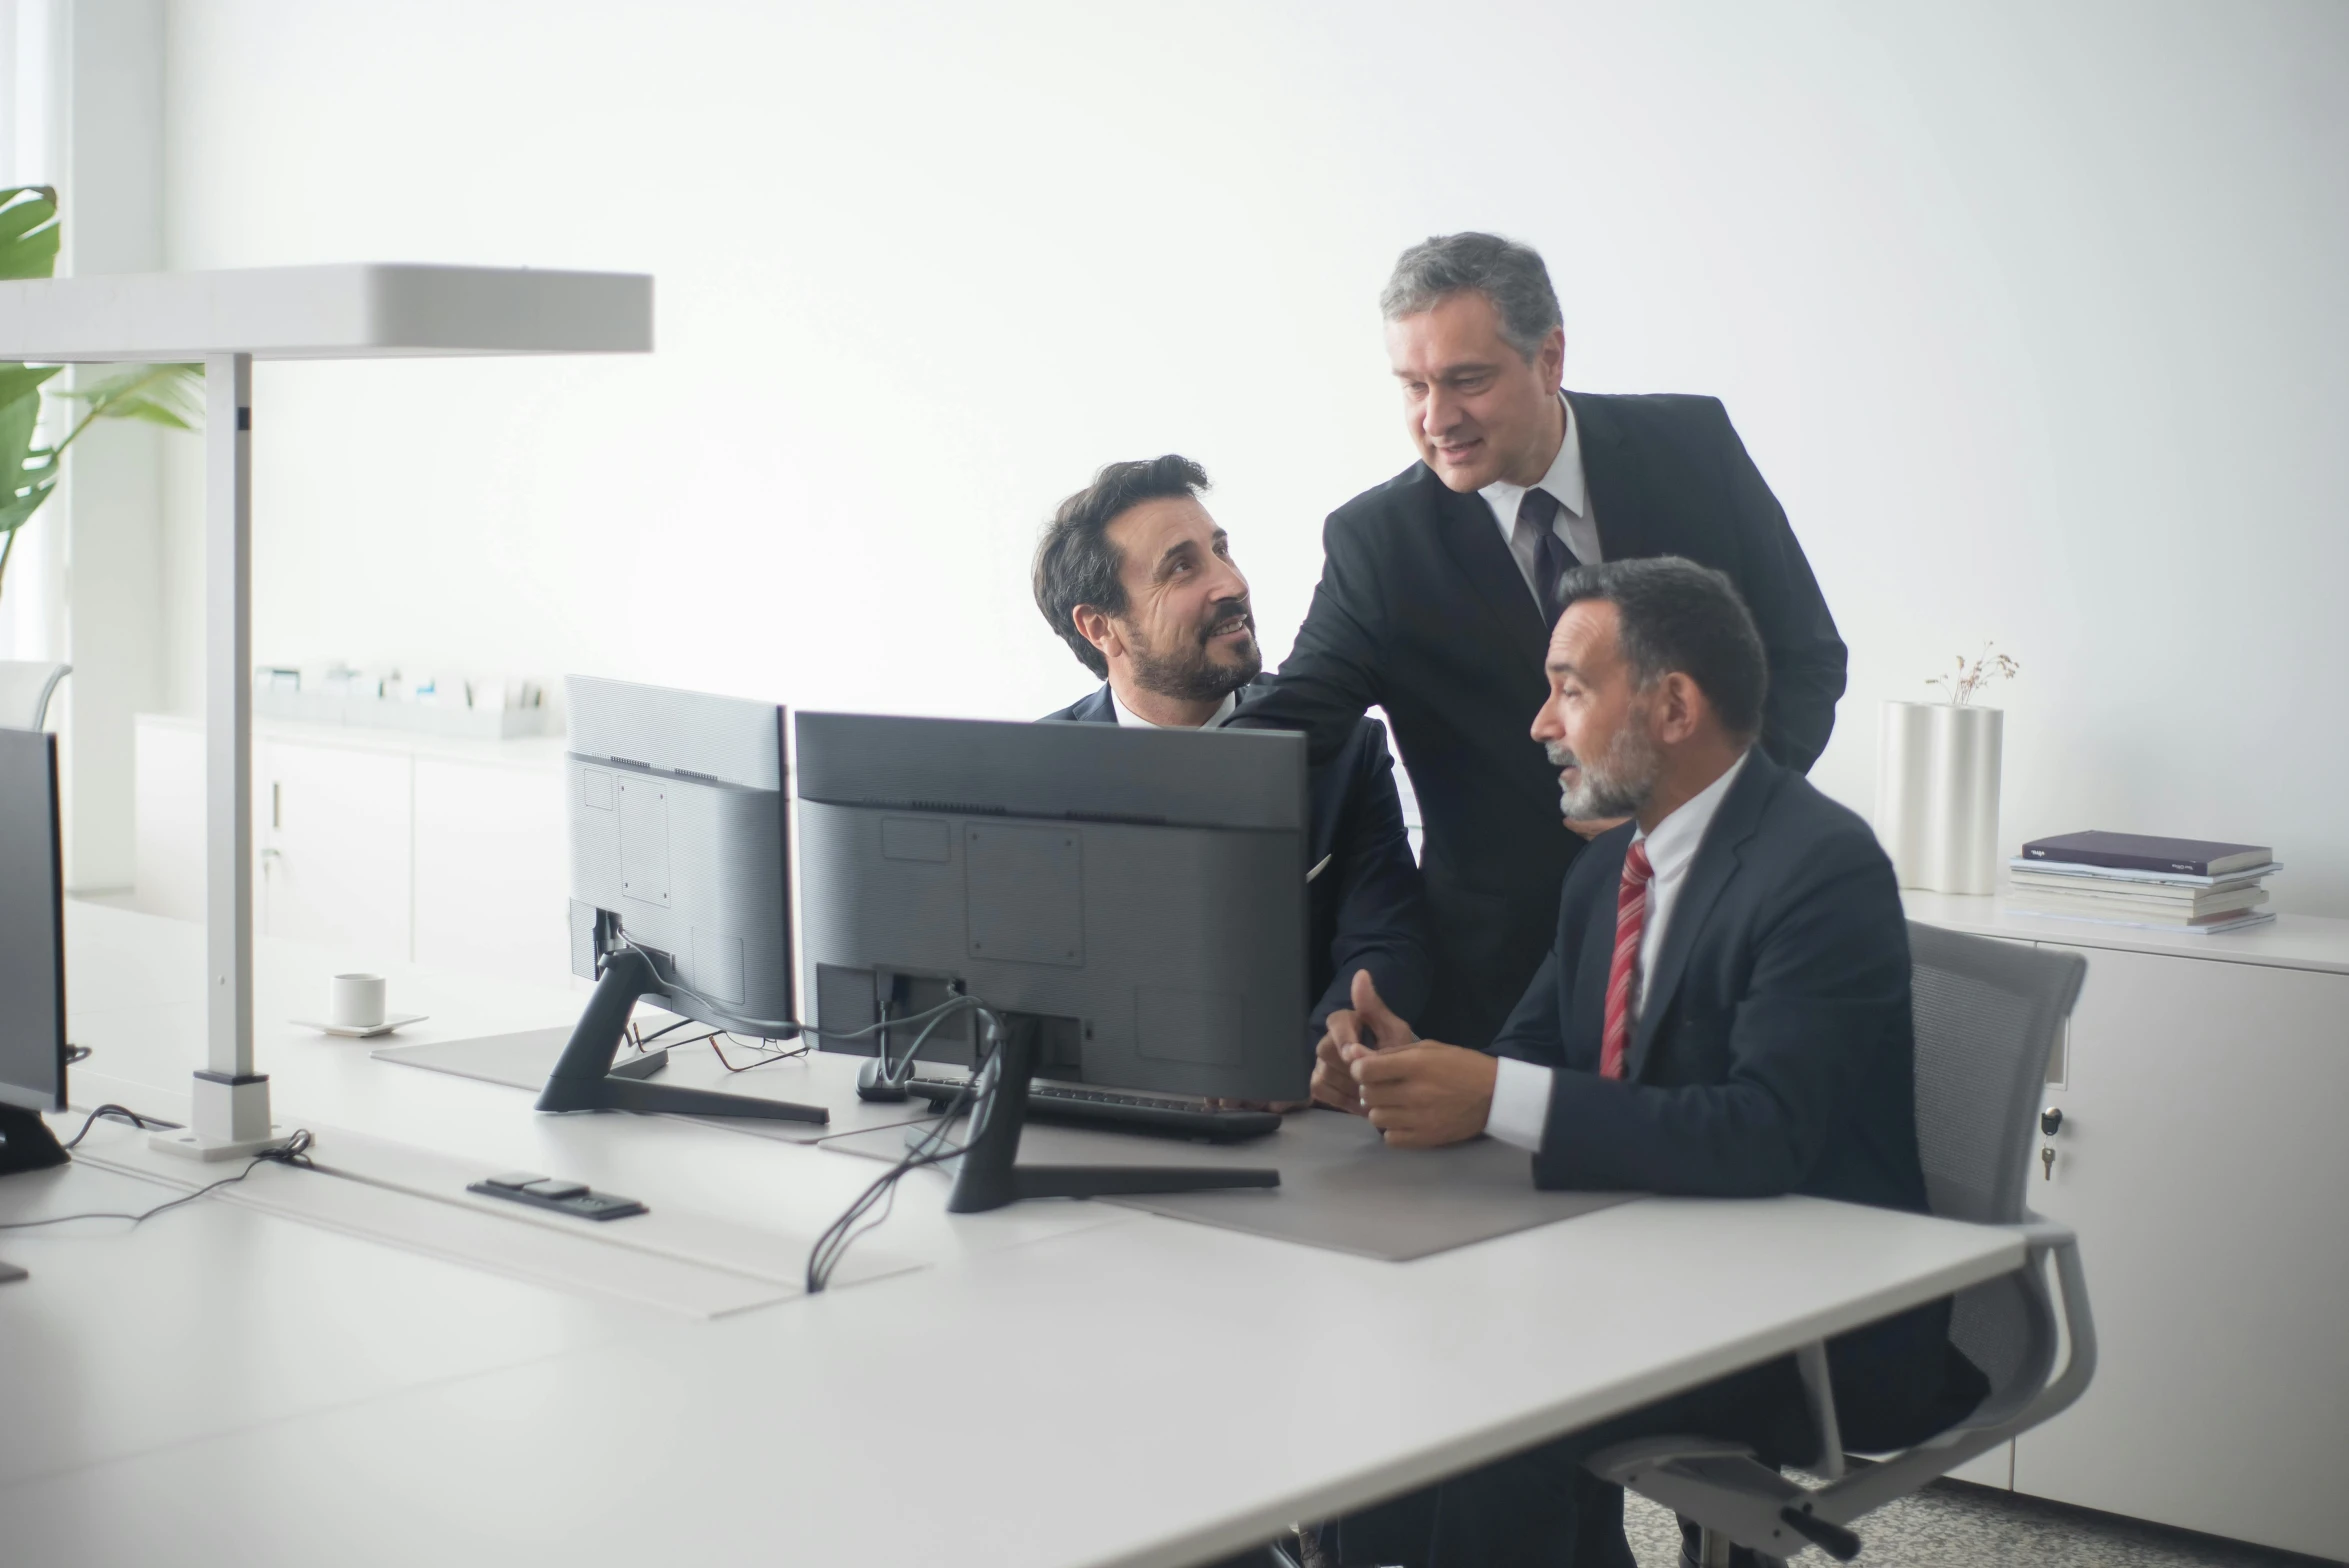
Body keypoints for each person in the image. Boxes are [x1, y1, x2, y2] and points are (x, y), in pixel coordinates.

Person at [1309, 557, 1985, 1568]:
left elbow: (1764, 1132)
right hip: (1633, 1261)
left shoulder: (1819, 866)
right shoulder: (1604, 872)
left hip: (1801, 1312)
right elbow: (1529, 1059)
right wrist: (1409, 1071)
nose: (1543, 723)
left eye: (1571, 690)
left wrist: (1492, 1090)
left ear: (1673, 705)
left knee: (1497, 1390)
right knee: (1399, 1336)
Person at [1236, 232, 1847, 1053]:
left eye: (1466, 381)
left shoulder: (1693, 448)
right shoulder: (1377, 545)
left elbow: (1805, 659)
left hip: (1718, 939)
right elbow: (1293, 722)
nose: (1435, 419)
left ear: (1549, 357)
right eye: (1411, 386)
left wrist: (1702, 806)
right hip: (1499, 988)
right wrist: (1127, 774)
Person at [1032, 453, 1431, 1059]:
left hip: (1293, 1112)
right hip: (1098, 1100)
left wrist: (1303, 1058)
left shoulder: (1343, 746)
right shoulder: (1035, 774)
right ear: (1099, 628)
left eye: (1222, 550)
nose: (1232, 583)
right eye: (1183, 567)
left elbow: (1385, 936)